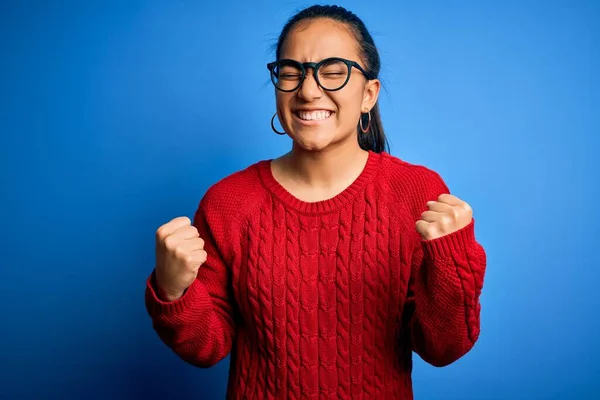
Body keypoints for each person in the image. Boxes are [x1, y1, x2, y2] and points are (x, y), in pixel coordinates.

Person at [145, 4, 487, 399]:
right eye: (291, 72)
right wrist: (173, 292)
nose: (308, 90)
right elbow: (208, 348)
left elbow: (443, 348)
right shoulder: (228, 202)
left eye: (333, 71)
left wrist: (454, 262)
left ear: (368, 94)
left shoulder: (417, 192)